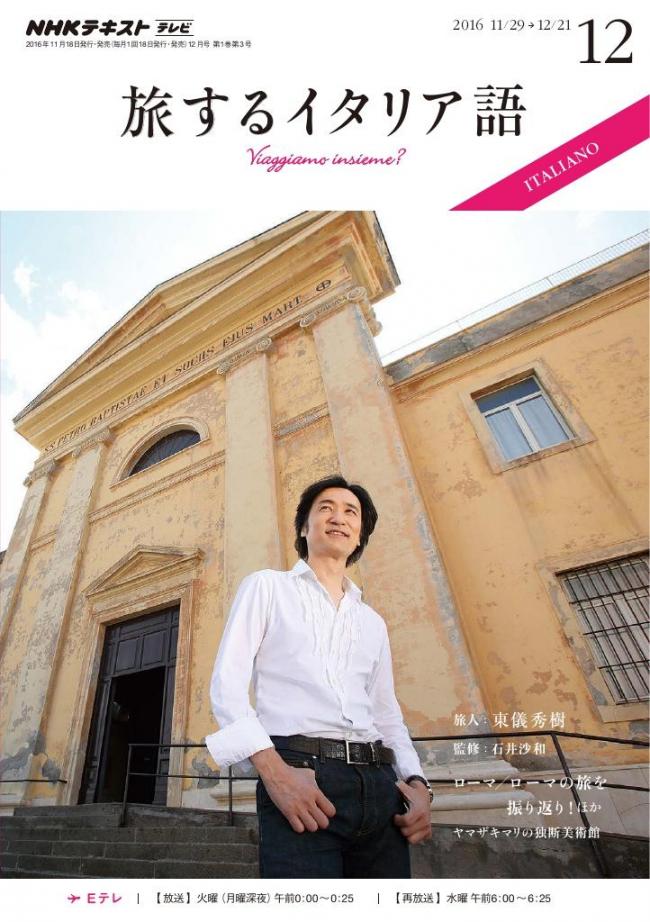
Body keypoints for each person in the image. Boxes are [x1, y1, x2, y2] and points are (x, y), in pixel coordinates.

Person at [205, 475, 433, 878]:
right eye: (325, 508)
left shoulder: (372, 622)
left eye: (351, 512)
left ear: (360, 536)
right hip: (301, 776)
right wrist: (275, 774)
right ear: (303, 528)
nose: (338, 517)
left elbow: (386, 714)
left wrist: (417, 783)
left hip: (381, 788)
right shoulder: (267, 587)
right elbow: (227, 687)